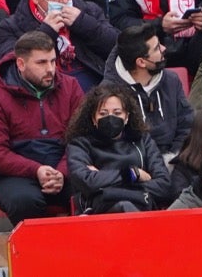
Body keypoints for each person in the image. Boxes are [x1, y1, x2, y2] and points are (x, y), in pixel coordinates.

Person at [0, 30, 85, 222]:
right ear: (21, 64)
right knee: (23, 201)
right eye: (41, 63)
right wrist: (35, 170)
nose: (50, 69)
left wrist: (62, 172)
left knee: (96, 189)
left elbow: (82, 138)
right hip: (17, 173)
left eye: (53, 61)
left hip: (66, 166)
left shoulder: (71, 87)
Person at [0, 0, 118, 91]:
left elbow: (118, 47)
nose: (65, 0)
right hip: (48, 96)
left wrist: (83, 23)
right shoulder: (10, 27)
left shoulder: (89, 11)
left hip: (97, 92)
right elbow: (10, 73)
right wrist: (45, 34)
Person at [64, 81, 174, 213]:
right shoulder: (80, 144)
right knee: (123, 206)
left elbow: (164, 186)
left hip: (141, 206)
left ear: (127, 117)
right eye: (103, 113)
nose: (110, 118)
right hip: (98, 213)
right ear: (93, 118)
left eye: (117, 113)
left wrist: (105, 182)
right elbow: (86, 181)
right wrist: (133, 174)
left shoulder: (143, 140)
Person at [101, 23, 194, 158]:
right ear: (141, 62)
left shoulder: (171, 80)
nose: (164, 48)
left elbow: (187, 124)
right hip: (138, 167)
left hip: (175, 160)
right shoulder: (109, 93)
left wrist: (174, 157)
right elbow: (114, 146)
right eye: (157, 48)